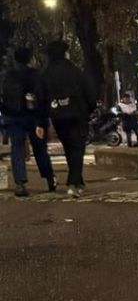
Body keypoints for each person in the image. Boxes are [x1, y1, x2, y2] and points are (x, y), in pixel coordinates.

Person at [37, 40, 95, 197]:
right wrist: (89, 109)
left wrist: (42, 120)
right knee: (77, 149)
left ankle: (78, 181)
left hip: (58, 117)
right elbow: (89, 92)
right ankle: (72, 183)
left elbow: (41, 99)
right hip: (78, 115)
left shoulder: (45, 75)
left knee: (69, 148)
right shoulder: (75, 71)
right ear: (64, 53)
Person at [1, 47, 55, 196]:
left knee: (17, 149)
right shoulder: (35, 75)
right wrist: (43, 120)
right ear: (30, 59)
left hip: (13, 118)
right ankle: (49, 178)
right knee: (39, 148)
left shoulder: (8, 76)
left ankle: (20, 183)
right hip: (33, 118)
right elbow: (41, 97)